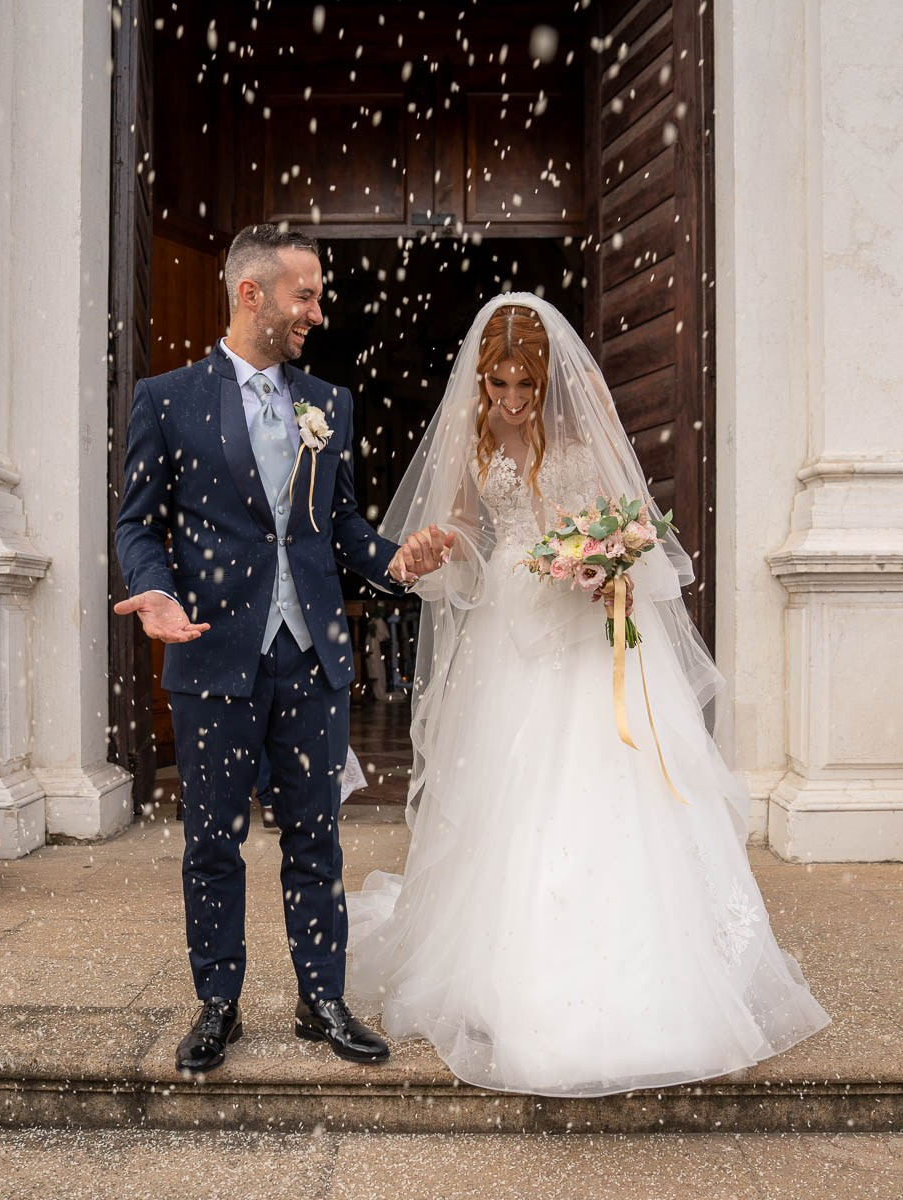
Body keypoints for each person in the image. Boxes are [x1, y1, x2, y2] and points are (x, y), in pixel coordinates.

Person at [346, 295, 830, 1097]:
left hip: (580, 626)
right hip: (510, 626)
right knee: (513, 787)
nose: (509, 400)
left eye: (523, 385)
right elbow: (469, 532)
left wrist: (606, 558)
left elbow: (631, 518)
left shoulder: (585, 411)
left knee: (609, 781)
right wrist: (443, 548)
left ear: (546, 378)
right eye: (497, 385)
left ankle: (645, 964)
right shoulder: (474, 430)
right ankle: (513, 966)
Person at [114, 224, 453, 1075]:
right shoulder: (166, 399)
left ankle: (321, 999)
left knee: (316, 839)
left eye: (319, 295)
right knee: (213, 843)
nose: (317, 311)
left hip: (311, 657)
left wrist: (394, 562)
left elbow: (335, 524)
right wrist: (151, 588)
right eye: (304, 294)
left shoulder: (328, 404)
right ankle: (217, 1003)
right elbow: (137, 523)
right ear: (250, 294)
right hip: (212, 653)